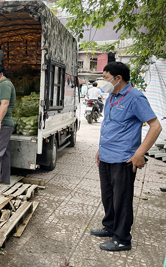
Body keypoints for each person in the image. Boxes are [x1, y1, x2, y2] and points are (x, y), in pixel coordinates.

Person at [90, 62, 161, 251]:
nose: (103, 81)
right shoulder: (111, 97)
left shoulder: (135, 97)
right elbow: (109, 125)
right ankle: (110, 226)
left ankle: (122, 239)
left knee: (121, 199)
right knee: (108, 196)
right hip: (106, 155)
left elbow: (155, 126)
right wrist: (100, 149)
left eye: (105, 78)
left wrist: (140, 153)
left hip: (123, 158)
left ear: (118, 78)